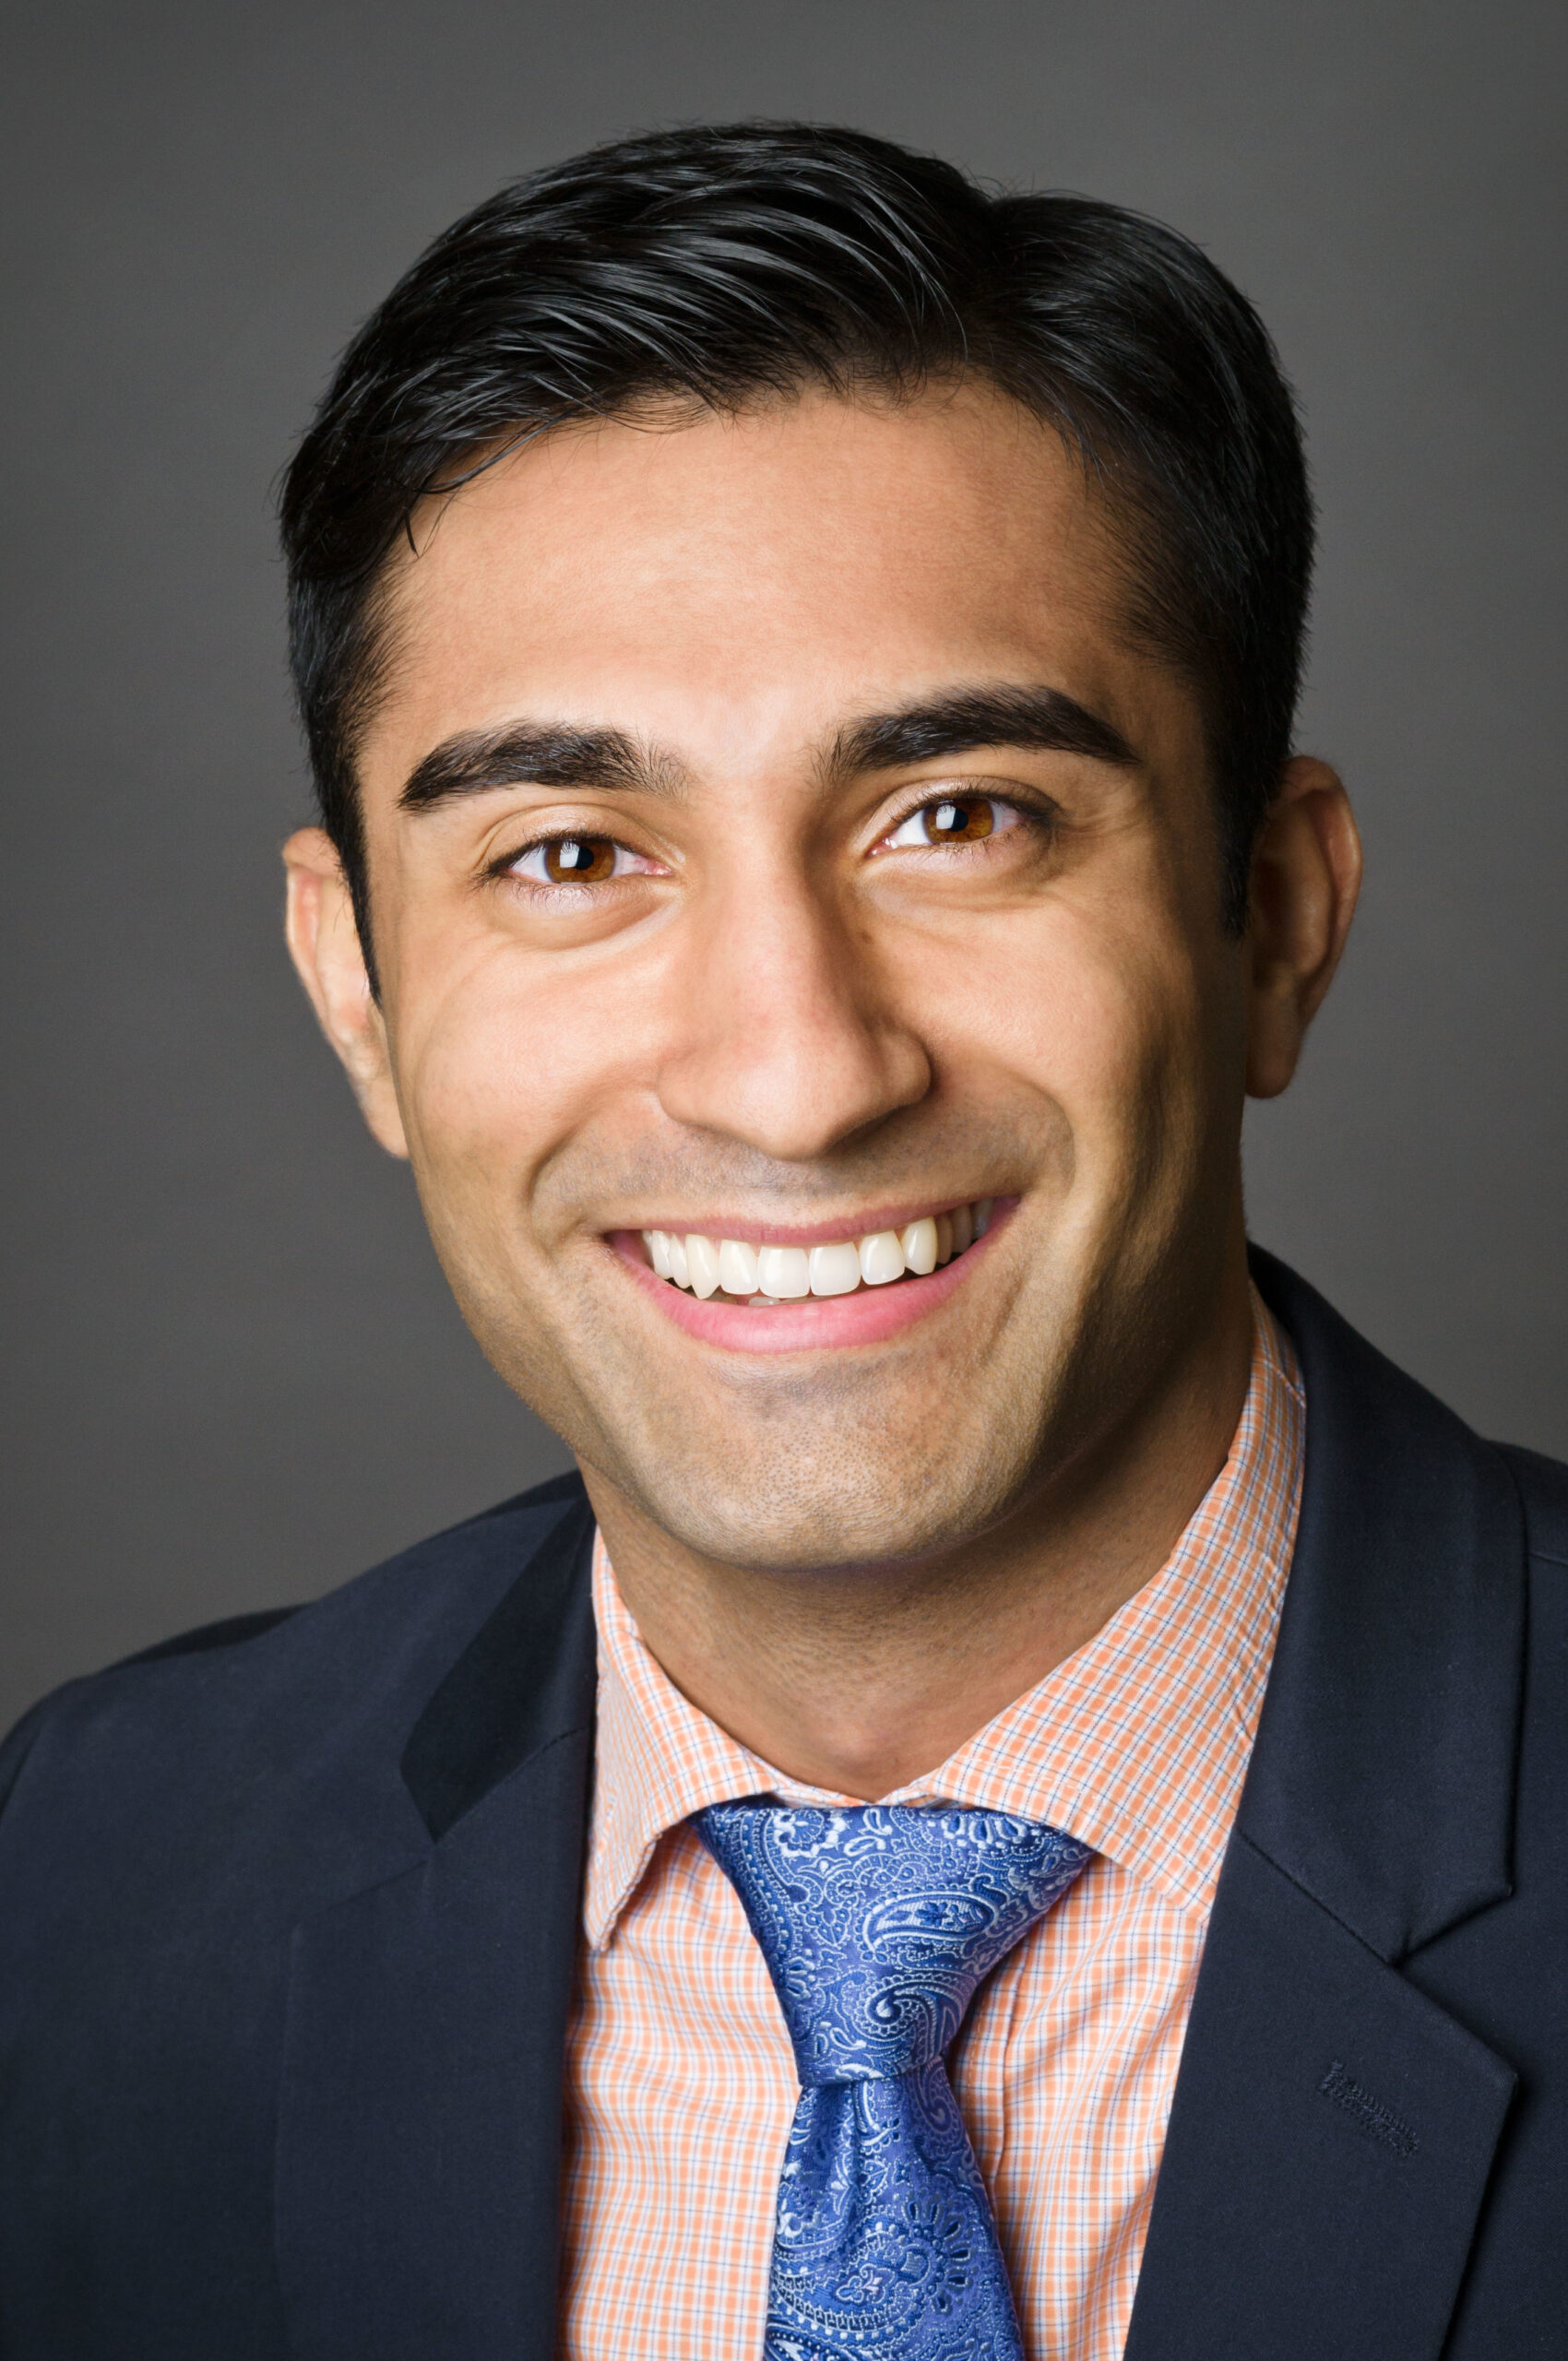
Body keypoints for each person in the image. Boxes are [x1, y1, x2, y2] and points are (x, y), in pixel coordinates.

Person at [0, 122, 1561, 2361]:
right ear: (358, 992)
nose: (791, 1072)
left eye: (960, 817)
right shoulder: (94, 1867)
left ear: (1272, 921)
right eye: (568, 854)